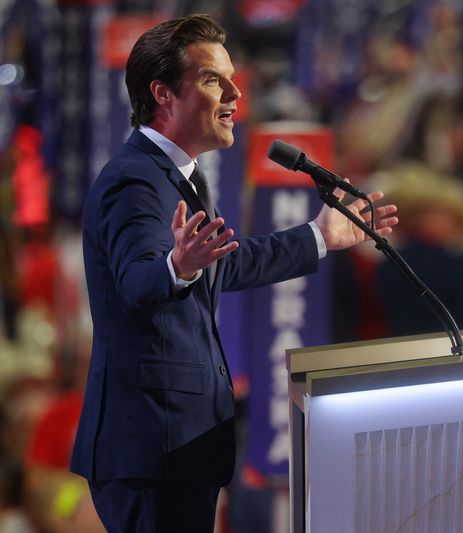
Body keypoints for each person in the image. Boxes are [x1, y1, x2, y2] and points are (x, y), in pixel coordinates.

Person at [69, 14, 398, 533]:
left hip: (176, 448)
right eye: (211, 80)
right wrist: (176, 266)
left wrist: (319, 236)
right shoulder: (134, 182)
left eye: (232, 77)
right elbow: (136, 284)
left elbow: (225, 262)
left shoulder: (180, 176)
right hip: (153, 452)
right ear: (164, 94)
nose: (234, 94)